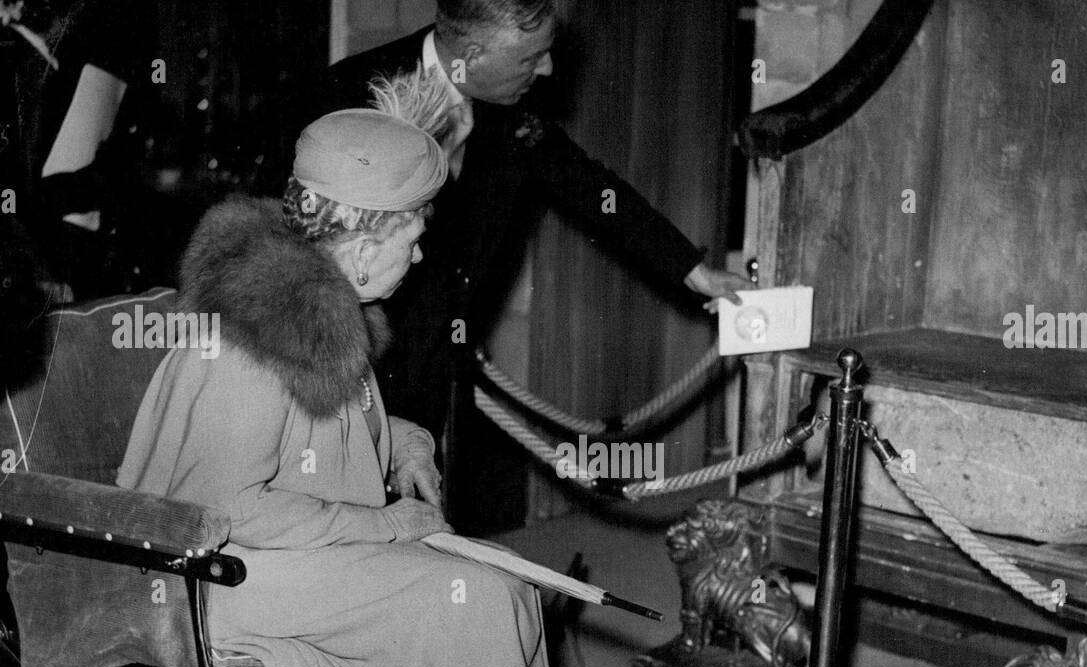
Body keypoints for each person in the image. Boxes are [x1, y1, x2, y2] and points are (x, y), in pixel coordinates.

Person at [116, 71, 558, 667]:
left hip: (270, 557)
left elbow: (326, 440)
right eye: (415, 235)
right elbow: (230, 506)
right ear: (360, 243)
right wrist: (385, 525)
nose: (422, 252)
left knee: (490, 584)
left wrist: (406, 440)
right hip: (205, 577)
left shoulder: (314, 307)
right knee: (439, 604)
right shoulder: (248, 347)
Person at [281, 0, 750, 453]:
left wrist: (693, 270)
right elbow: (285, 237)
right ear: (473, 55)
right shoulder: (345, 93)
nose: (547, 68)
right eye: (531, 57)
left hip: (441, 359)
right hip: (347, 366)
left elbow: (589, 186)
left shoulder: (506, 97)